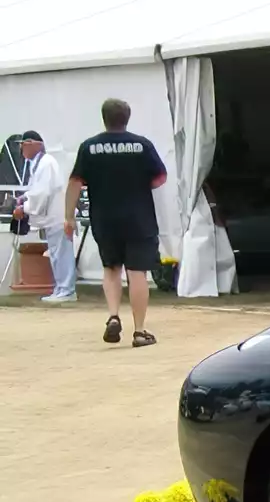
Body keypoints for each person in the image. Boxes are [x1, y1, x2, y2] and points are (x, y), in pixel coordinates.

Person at [66, 99, 168, 347]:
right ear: (127, 117)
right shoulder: (142, 145)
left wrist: (68, 216)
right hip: (139, 218)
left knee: (111, 268)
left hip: (104, 217)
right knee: (137, 272)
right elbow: (160, 178)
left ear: (104, 118)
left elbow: (75, 182)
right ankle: (140, 331)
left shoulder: (89, 147)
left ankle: (113, 316)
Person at [17, 130, 77, 304]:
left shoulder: (46, 163)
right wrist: (25, 197)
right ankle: (61, 289)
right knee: (56, 254)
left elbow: (43, 193)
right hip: (52, 217)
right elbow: (36, 189)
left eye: (23, 144)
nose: (21, 149)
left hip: (58, 216)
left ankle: (66, 291)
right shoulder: (38, 163)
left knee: (62, 254)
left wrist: (24, 207)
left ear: (33, 144)